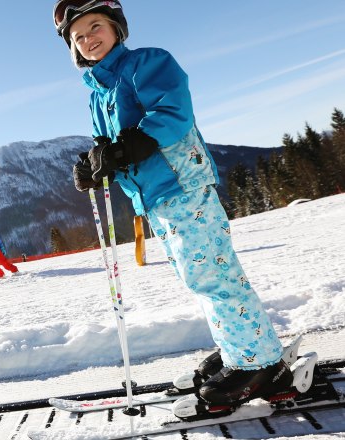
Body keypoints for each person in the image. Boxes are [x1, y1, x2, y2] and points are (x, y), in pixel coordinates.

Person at [52, 0, 292, 407]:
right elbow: (109, 146)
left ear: (115, 28)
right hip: (154, 197)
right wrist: (96, 164)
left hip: (182, 184)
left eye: (95, 27)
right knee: (201, 276)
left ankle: (260, 364)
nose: (89, 39)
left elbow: (172, 112)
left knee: (213, 275)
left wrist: (128, 146)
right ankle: (242, 347)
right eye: (78, 37)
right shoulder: (97, 92)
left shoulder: (147, 62)